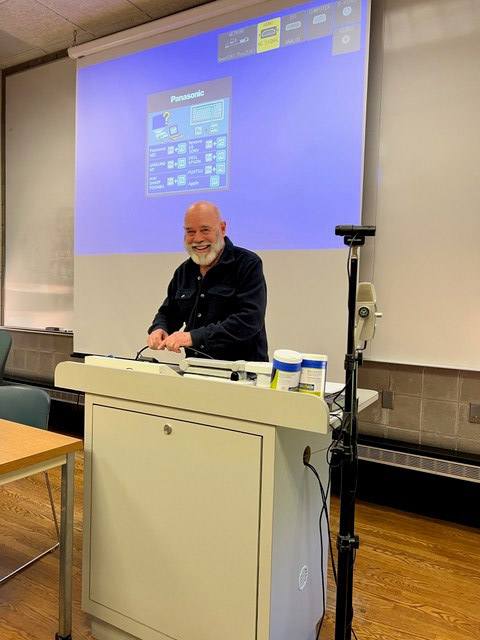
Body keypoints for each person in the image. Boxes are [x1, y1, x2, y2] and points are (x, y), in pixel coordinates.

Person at [147, 201, 268, 361]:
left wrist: (193, 337)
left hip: (241, 374)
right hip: (195, 369)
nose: (197, 239)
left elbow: (249, 320)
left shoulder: (247, 264)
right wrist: (160, 328)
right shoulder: (183, 271)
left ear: (222, 228)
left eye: (205, 230)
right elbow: (169, 312)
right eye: (190, 232)